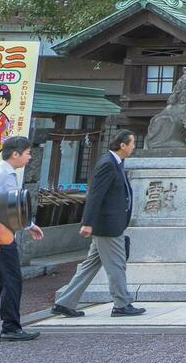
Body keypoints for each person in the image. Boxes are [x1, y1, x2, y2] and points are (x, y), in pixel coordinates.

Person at [51, 130, 145, 318]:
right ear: (122, 145)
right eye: (132, 143)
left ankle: (65, 302)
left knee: (90, 265)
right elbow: (95, 195)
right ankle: (121, 303)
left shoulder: (115, 163)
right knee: (117, 264)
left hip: (109, 224)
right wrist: (87, 222)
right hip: (108, 226)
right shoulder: (108, 164)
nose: (134, 146)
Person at [0, 135, 45, 341]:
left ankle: (11, 326)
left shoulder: (7, 173)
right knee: (11, 280)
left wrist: (29, 225)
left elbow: (11, 208)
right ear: (15, 154)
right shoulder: (1, 175)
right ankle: (10, 327)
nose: (29, 157)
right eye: (27, 153)